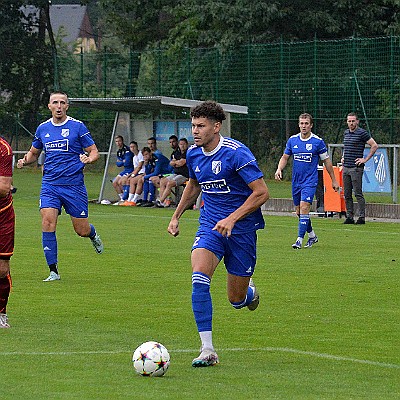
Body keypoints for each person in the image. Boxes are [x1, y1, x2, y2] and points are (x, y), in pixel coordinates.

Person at [167, 101, 269, 367]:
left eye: (201, 126)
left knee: (236, 300)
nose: (196, 131)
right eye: (193, 126)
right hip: (210, 226)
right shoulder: (193, 154)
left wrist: (233, 218)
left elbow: (262, 192)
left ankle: (248, 293)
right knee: (199, 278)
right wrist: (176, 216)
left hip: (242, 231)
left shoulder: (236, 153)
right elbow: (193, 184)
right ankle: (208, 349)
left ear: (216, 126)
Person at [17, 91, 104, 282]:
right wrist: (25, 160)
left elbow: (94, 151)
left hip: (74, 186)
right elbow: (34, 152)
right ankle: (53, 271)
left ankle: (92, 233)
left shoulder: (77, 127)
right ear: (49, 106)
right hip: (50, 185)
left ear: (67, 106)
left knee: (81, 230)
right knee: (48, 222)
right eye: (55, 102)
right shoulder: (42, 128)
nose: (58, 106)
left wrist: (89, 159)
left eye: (62, 103)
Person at [275, 113, 339, 249]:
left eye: (306, 123)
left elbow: (327, 162)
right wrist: (279, 169)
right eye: (301, 123)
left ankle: (299, 239)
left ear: (311, 125)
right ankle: (312, 236)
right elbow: (285, 157)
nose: (304, 126)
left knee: (305, 207)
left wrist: (333, 180)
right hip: (296, 181)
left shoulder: (317, 142)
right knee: (299, 212)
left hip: (310, 181)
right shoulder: (293, 141)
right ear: (298, 125)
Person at [341, 113, 378, 224]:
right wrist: (343, 157)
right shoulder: (346, 133)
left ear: (357, 121)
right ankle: (349, 216)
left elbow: (374, 145)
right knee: (347, 193)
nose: (351, 123)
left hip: (356, 167)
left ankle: (361, 217)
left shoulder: (362, 133)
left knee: (357, 193)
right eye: (349, 121)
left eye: (353, 121)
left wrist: (365, 159)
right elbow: (346, 147)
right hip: (346, 166)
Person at [0, 137, 14, 328]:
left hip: (2, 215)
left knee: (2, 269)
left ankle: (1, 313)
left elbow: (3, 188)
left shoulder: (3, 149)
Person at [156, 137, 189, 207]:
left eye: (184, 144)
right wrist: (177, 162)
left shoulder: (188, 153)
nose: (182, 146)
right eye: (181, 144)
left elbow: (181, 163)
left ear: (187, 144)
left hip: (185, 175)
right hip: (176, 173)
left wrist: (176, 162)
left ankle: (161, 200)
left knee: (169, 184)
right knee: (162, 181)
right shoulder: (176, 153)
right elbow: (171, 163)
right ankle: (163, 201)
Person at [120, 141, 145, 205]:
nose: (132, 148)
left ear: (137, 147)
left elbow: (140, 166)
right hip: (138, 173)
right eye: (131, 147)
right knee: (127, 180)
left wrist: (133, 175)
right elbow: (135, 168)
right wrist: (130, 174)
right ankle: (128, 199)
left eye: (134, 147)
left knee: (132, 180)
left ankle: (134, 199)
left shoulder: (140, 154)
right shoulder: (134, 157)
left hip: (143, 173)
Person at [112, 135, 134, 204]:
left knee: (121, 181)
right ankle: (122, 198)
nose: (118, 143)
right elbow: (118, 164)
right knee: (114, 182)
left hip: (131, 169)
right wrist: (123, 161)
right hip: (125, 170)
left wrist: (122, 161)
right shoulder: (119, 151)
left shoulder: (127, 150)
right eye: (116, 141)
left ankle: (125, 199)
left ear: (122, 141)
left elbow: (127, 162)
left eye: (119, 141)